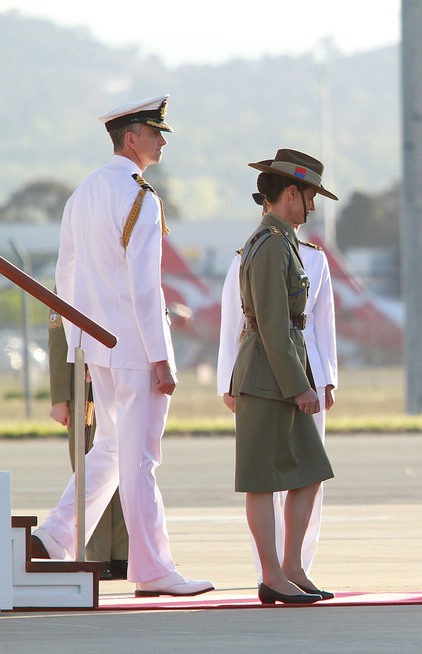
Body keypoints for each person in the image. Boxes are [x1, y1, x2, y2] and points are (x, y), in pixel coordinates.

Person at [31, 94, 213, 597]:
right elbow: (143, 285)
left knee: (111, 450)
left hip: (97, 345)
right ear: (130, 138)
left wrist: (77, 349)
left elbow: (65, 280)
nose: (161, 139)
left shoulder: (83, 192)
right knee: (139, 457)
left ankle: (54, 536)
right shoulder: (139, 196)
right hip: (133, 347)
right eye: (154, 132)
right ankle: (153, 569)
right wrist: (161, 355)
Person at [229, 148, 337, 605]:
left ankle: (291, 569)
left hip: (275, 370)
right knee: (261, 479)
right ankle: (273, 575)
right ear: (291, 193)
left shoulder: (279, 241)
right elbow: (274, 325)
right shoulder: (272, 245)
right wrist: (299, 386)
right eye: (309, 197)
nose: (311, 208)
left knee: (309, 471)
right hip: (266, 377)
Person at [47, 308, 129, 581]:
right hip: (85, 390)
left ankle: (122, 552)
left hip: (121, 377)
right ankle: (97, 553)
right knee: (92, 466)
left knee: (125, 470)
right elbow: (59, 339)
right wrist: (60, 396)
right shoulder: (75, 266)